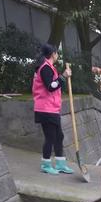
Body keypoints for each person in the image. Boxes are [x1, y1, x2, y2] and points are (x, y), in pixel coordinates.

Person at [32, 43, 74, 175]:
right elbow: (51, 86)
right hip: (45, 109)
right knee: (50, 137)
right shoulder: (45, 68)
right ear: (53, 54)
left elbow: (54, 85)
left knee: (59, 136)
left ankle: (60, 164)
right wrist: (63, 77)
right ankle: (46, 164)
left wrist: (62, 77)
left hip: (51, 108)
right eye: (56, 53)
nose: (57, 55)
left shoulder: (49, 67)